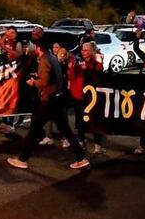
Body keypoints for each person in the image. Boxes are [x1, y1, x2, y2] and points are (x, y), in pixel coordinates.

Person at [7, 37, 90, 171]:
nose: (30, 47)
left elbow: (44, 82)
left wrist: (34, 82)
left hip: (48, 100)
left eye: (33, 46)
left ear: (38, 48)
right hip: (57, 99)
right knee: (66, 130)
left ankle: (22, 159)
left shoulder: (44, 61)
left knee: (34, 130)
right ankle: (81, 157)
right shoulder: (52, 58)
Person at [68, 40, 105, 156]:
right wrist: (71, 67)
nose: (83, 52)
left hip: (91, 97)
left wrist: (87, 70)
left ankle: (97, 145)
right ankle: (81, 140)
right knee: (79, 120)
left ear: (91, 52)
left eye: (85, 50)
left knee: (94, 120)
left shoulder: (96, 63)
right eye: (82, 50)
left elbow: (98, 76)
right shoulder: (78, 62)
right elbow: (72, 77)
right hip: (78, 95)